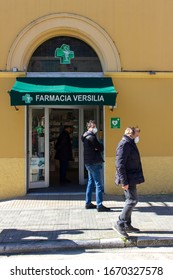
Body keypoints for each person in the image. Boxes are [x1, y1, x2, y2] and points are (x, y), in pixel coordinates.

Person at [113, 126, 145, 237]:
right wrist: (124, 182)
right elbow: (119, 165)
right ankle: (120, 223)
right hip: (127, 178)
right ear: (130, 133)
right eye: (137, 133)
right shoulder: (124, 144)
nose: (138, 136)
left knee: (129, 200)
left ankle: (127, 224)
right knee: (132, 200)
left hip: (131, 177)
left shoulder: (130, 143)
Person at [81, 120, 110, 212]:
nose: (94, 128)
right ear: (88, 127)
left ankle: (88, 203)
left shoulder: (85, 137)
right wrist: (98, 147)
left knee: (90, 182)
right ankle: (100, 205)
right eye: (92, 126)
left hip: (88, 162)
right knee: (99, 185)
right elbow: (101, 148)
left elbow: (97, 148)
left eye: (95, 126)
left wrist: (97, 148)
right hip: (94, 162)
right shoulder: (91, 137)